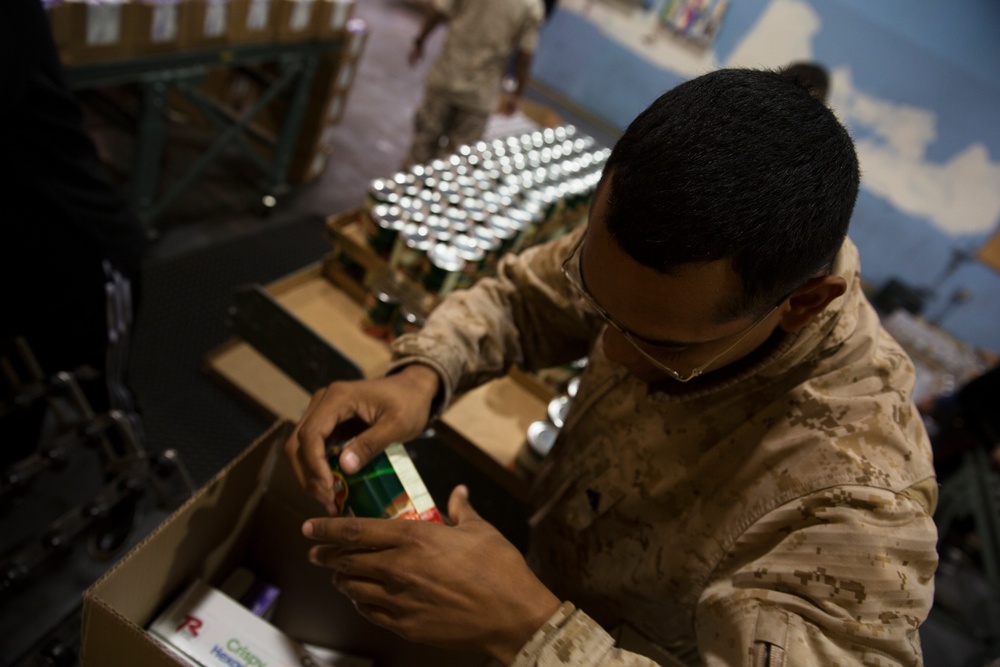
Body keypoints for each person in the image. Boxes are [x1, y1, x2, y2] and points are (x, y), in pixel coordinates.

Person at [285, 68, 938, 665]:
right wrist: (421, 376)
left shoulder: (857, 502)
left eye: (666, 346)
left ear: (801, 304)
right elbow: (521, 301)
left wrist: (533, 630)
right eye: (600, 308)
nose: (613, 352)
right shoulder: (654, 264)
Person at [2, 0, 147, 465]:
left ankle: (132, 492)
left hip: (81, 252)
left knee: (104, 402)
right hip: (17, 251)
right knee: (19, 383)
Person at [403, 0, 546, 168]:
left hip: (446, 76)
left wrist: (420, 40)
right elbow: (525, 55)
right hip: (480, 95)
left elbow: (439, 11)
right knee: (457, 158)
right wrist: (517, 94)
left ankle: (407, 188)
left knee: (423, 145)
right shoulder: (531, 6)